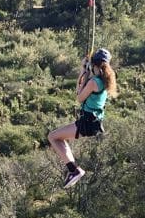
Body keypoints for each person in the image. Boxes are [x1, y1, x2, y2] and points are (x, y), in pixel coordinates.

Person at [48, 48, 118, 188]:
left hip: (87, 122)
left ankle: (74, 170)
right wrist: (86, 73)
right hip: (93, 122)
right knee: (58, 137)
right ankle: (73, 170)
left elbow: (79, 97)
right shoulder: (105, 80)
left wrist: (82, 72)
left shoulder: (94, 82)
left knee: (53, 137)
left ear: (95, 65)